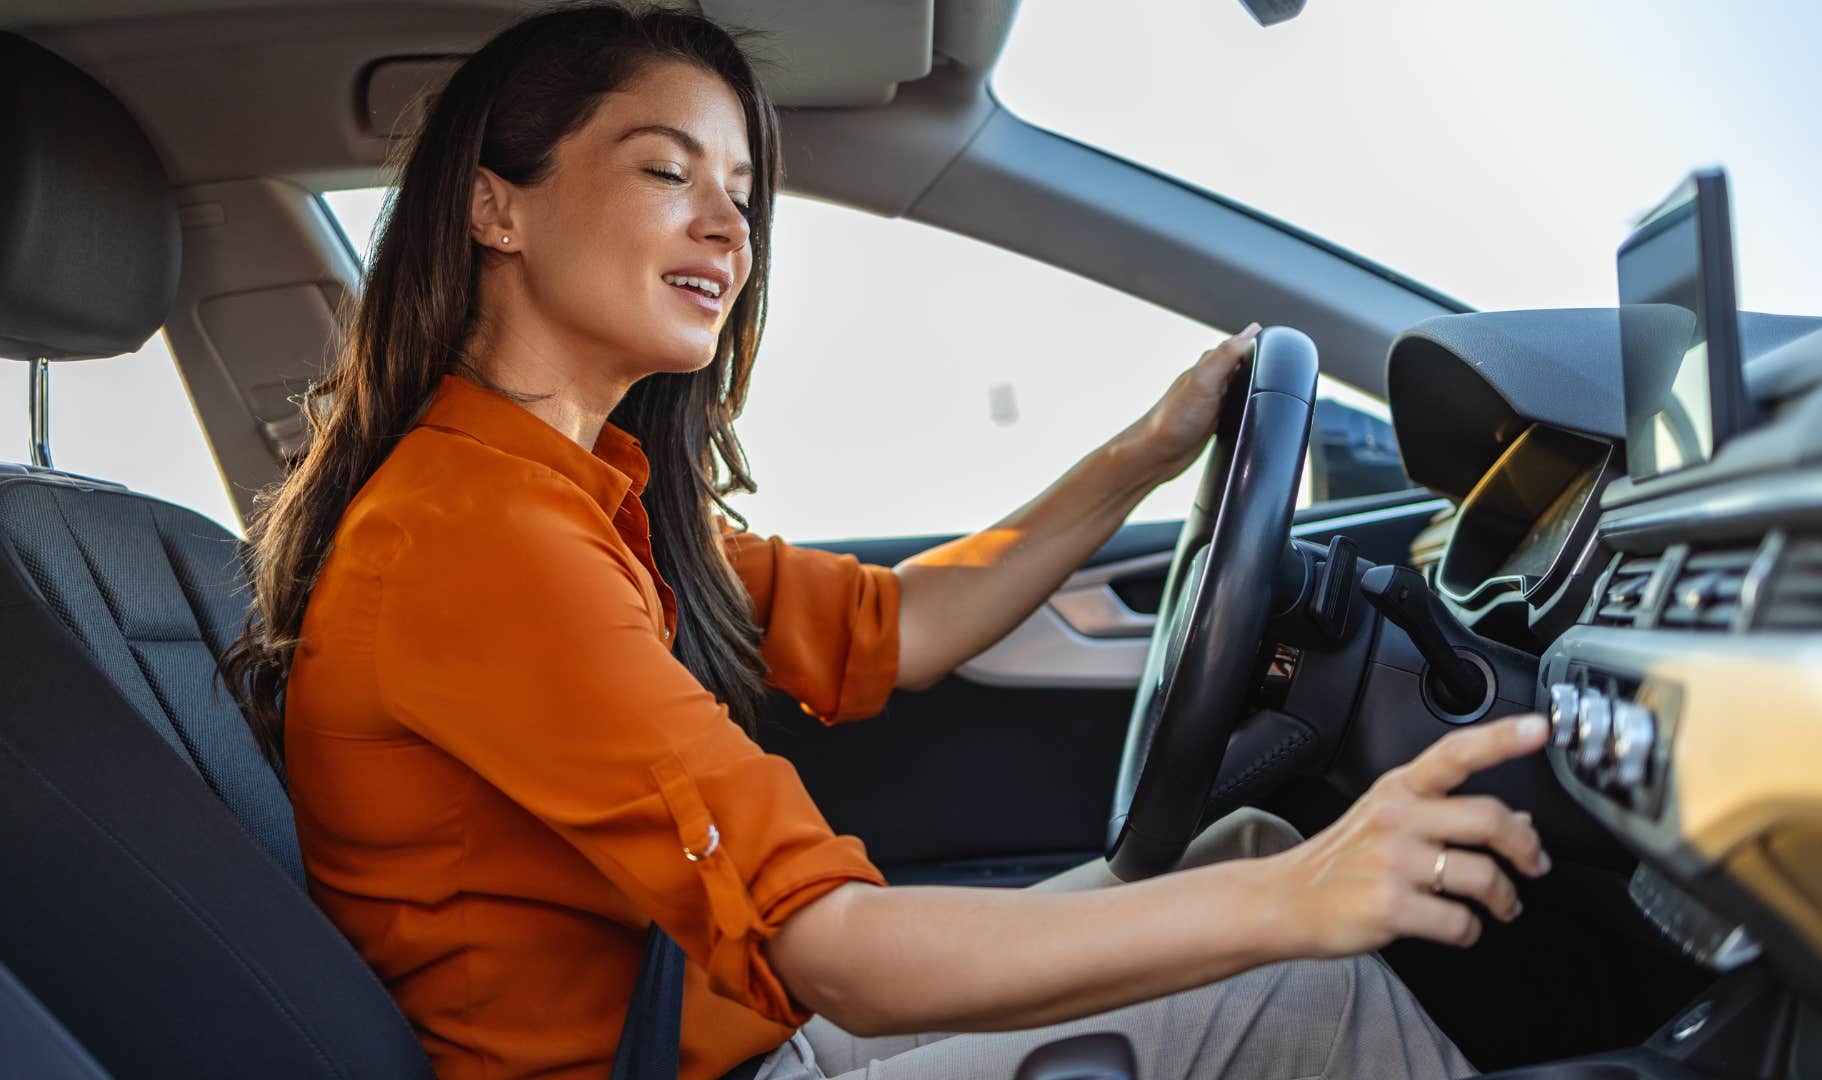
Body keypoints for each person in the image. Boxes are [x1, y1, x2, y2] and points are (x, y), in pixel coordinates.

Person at [220, 5, 1551, 1079]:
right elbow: (833, 949)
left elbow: (900, 626)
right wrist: (1311, 904)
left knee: (1252, 846)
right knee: (1309, 982)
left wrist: (1149, 447)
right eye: (667, 171)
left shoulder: (572, 499)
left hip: (728, 1031)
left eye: (742, 191)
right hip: (702, 1058)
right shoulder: (474, 542)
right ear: (494, 207)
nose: (729, 226)